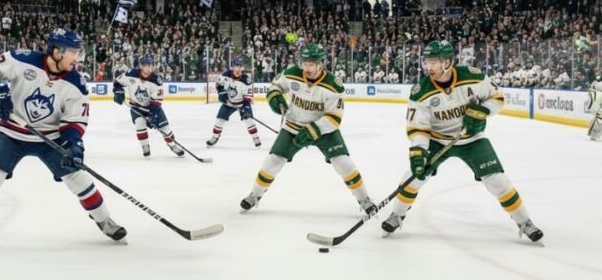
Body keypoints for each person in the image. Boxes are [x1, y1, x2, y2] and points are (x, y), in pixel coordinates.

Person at [0, 30, 126, 248]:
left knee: (79, 179)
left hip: (51, 139)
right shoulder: (23, 60)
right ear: (57, 52)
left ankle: (105, 221)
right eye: (73, 53)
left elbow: (75, 121)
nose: (77, 58)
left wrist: (73, 145)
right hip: (12, 133)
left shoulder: (76, 83)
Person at [380, 41, 543, 243]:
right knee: (413, 177)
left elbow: (497, 97)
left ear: (447, 62)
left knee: (497, 181)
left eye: (434, 62)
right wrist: (418, 152)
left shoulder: (472, 76)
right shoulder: (420, 91)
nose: (429, 67)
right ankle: (397, 215)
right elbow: (418, 127)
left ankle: (525, 222)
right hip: (437, 141)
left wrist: (482, 112)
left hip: (472, 139)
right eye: (427, 62)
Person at [240, 44, 377, 215]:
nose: (306, 67)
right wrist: (275, 97)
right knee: (272, 161)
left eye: (311, 64)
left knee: (343, 163)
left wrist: (314, 130)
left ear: (321, 64)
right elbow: (276, 85)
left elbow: (334, 117)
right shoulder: (292, 72)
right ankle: (254, 196)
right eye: (304, 63)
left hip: (324, 131)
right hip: (293, 125)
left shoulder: (334, 85)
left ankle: (364, 200)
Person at [113, 55, 185, 158]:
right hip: (136, 107)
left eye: (151, 66)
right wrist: (118, 92)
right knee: (140, 125)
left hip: (153, 108)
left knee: (165, 128)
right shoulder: (131, 74)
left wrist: (153, 116)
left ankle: (172, 145)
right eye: (146, 66)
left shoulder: (156, 81)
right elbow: (117, 82)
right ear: (141, 66)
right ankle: (145, 146)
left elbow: (156, 102)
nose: (149, 69)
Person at [207, 57, 260, 148]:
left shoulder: (246, 79)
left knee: (249, 120)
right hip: (229, 103)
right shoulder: (225, 74)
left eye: (240, 66)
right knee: (219, 120)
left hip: (241, 103)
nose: (238, 68)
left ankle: (255, 137)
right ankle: (215, 137)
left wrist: (246, 109)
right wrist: (222, 93)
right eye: (236, 66)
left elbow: (247, 97)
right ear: (233, 67)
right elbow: (218, 84)